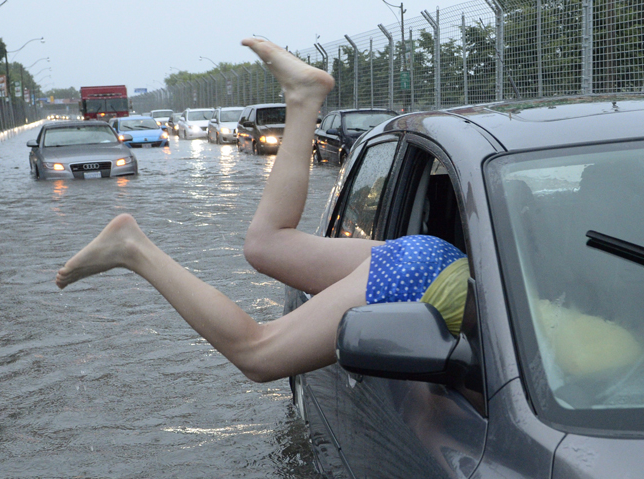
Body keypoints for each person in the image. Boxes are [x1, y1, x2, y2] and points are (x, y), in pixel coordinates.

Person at [56, 38, 468, 383]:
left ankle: (303, 101)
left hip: (438, 262)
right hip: (431, 283)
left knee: (266, 244)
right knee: (258, 353)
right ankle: (135, 250)